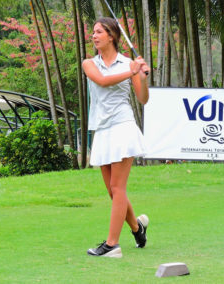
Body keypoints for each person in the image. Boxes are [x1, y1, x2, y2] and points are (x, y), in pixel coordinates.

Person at [82, 17, 150, 258]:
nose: (94, 35)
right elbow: (101, 81)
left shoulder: (128, 63)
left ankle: (112, 245)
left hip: (123, 125)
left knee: (117, 187)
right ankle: (136, 227)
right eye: (93, 32)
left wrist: (140, 76)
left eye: (99, 32)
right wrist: (130, 71)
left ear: (111, 36)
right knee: (113, 191)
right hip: (101, 128)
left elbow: (143, 98)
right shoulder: (89, 63)